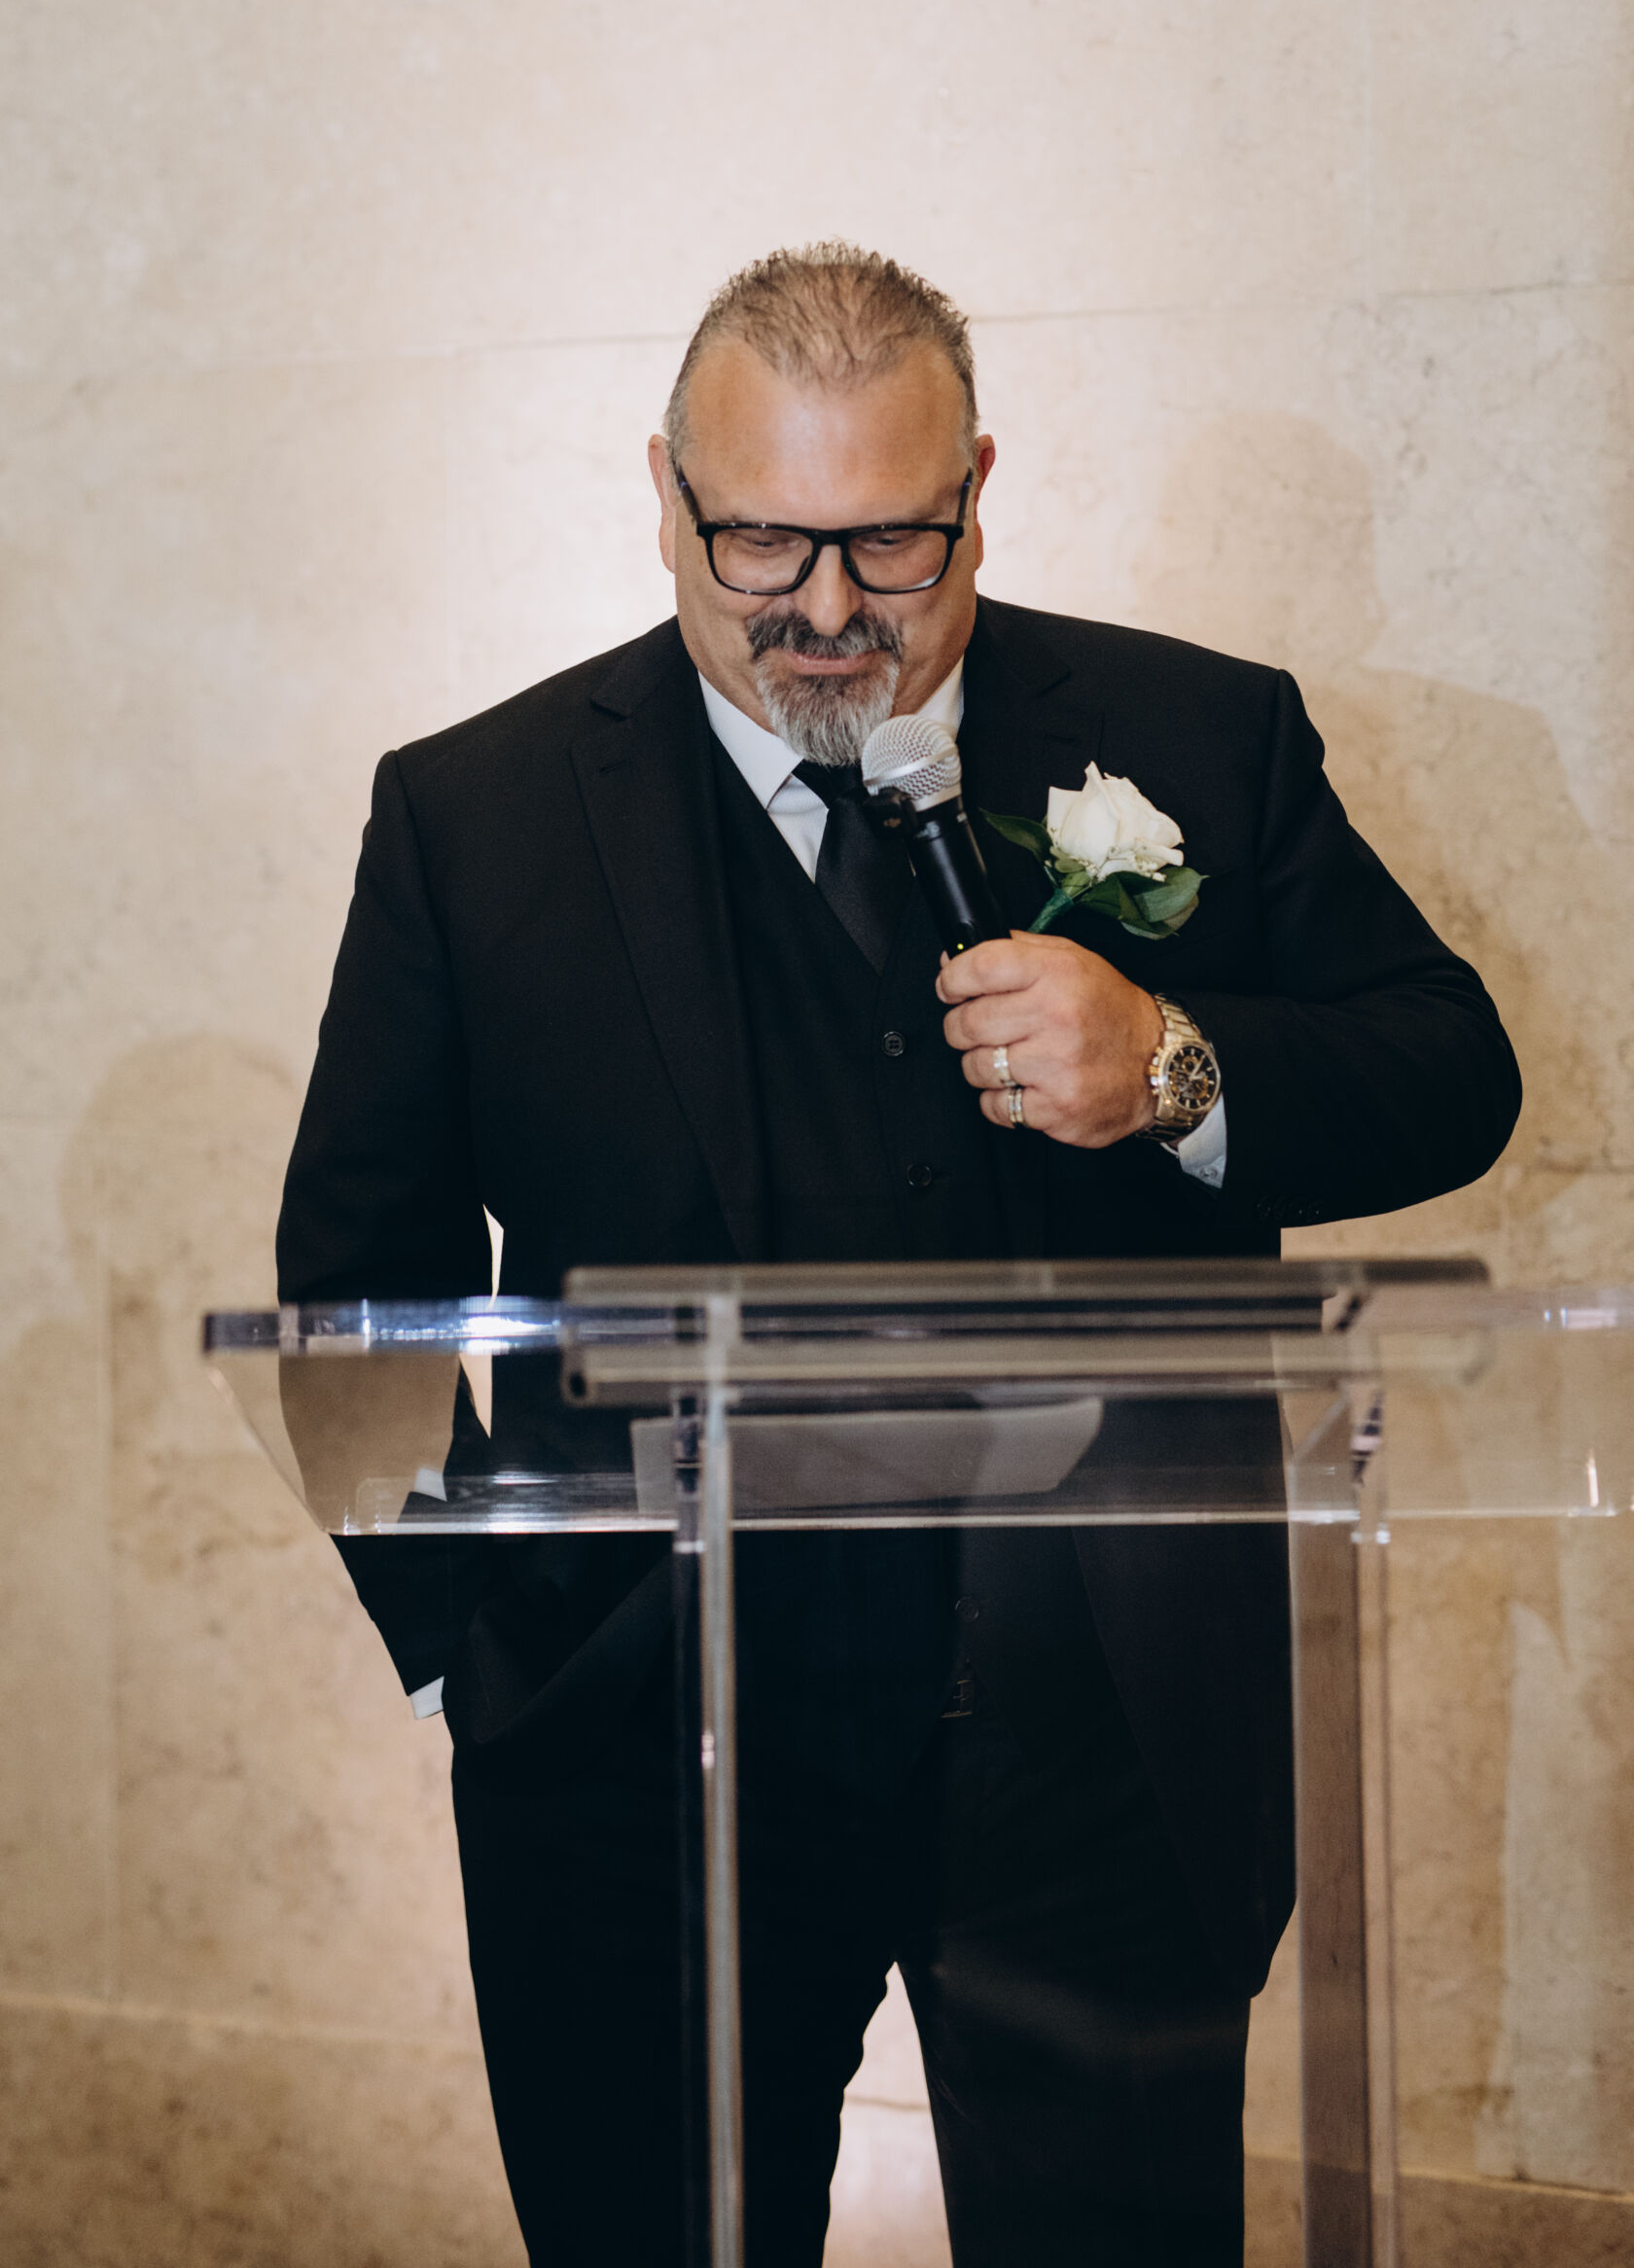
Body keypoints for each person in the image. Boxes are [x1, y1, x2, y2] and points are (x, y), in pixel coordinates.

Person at [277, 245, 1519, 2267]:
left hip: (1104, 1746)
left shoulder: (1198, 734)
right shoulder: (473, 816)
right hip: (645, 1768)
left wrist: (1178, 1062)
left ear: (980, 488)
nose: (829, 607)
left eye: (891, 543)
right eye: (763, 540)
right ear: (666, 490)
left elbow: (1455, 1071)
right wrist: (485, 1663)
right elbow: (351, 1283)